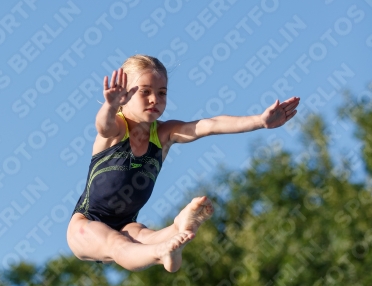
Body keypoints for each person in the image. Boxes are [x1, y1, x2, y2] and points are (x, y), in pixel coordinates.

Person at [67, 54, 299, 272]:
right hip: (86, 223)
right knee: (117, 244)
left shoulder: (164, 133)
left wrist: (259, 121)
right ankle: (162, 251)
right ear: (124, 96)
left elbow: (210, 125)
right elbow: (102, 126)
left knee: (146, 236)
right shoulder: (118, 128)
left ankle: (179, 228)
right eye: (145, 91)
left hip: (127, 223)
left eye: (162, 93)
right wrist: (109, 105)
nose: (154, 99)